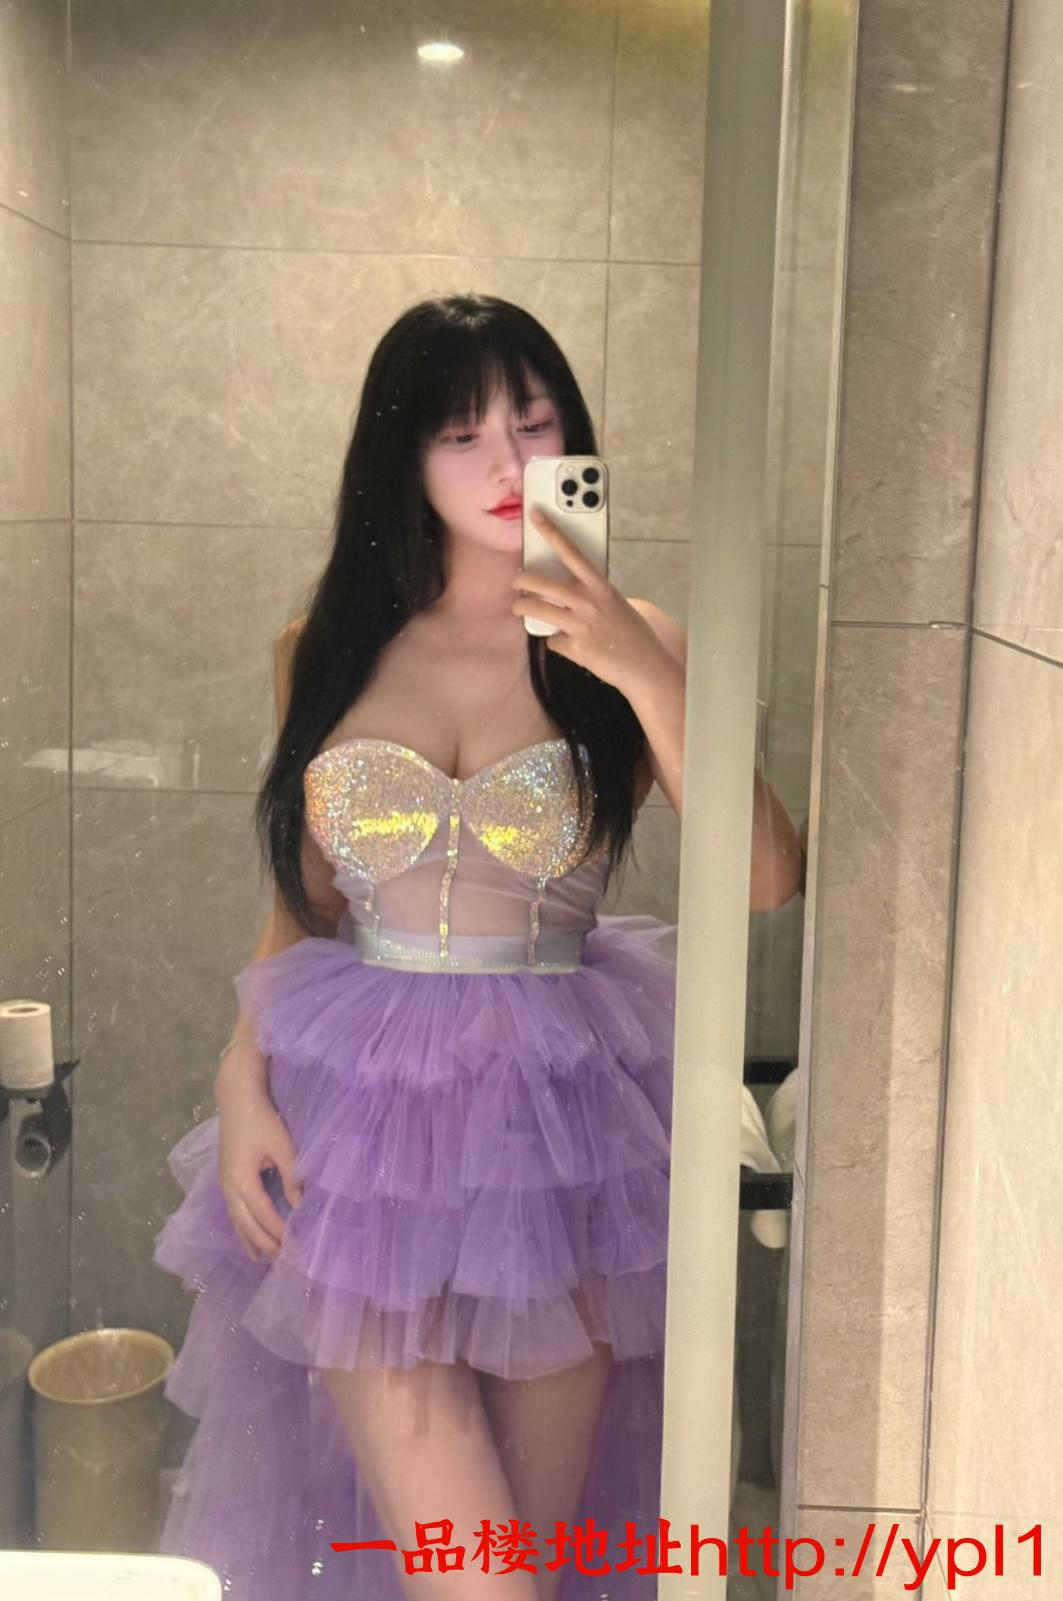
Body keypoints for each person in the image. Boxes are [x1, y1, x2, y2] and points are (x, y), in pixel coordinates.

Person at [152, 293, 805, 1601]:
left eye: (535, 422)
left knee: (525, 1572)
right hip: (361, 1148)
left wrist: (637, 661)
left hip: (555, 1152)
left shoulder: (635, 644)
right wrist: (240, 1074)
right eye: (463, 433)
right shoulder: (323, 651)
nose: (508, 460)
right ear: (405, 457)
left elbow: (768, 876)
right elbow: (307, 907)